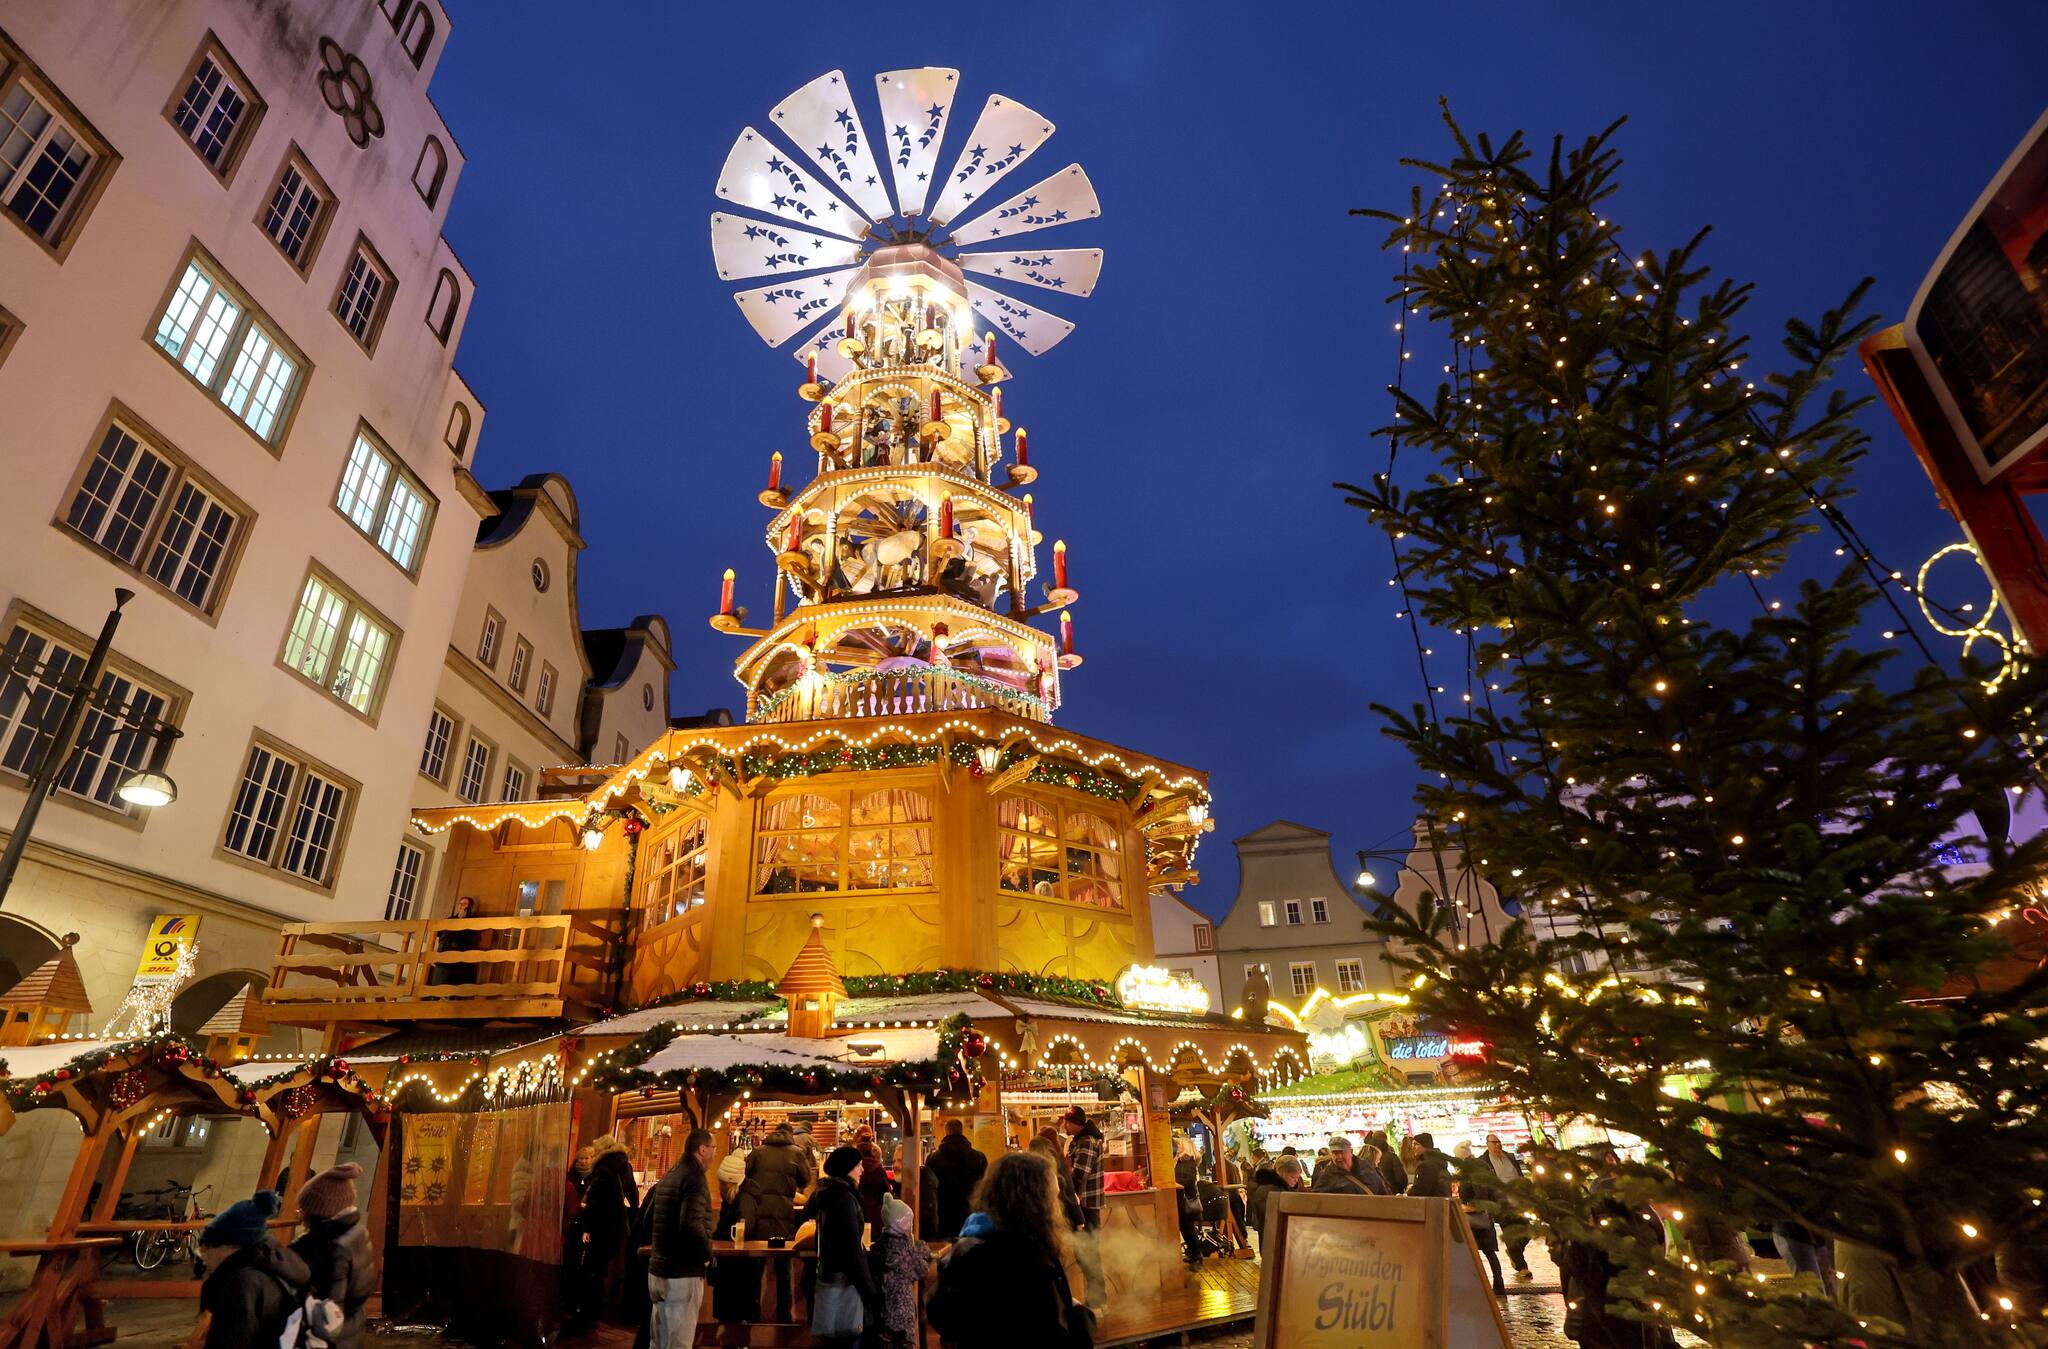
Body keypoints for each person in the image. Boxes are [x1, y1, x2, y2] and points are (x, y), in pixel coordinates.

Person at [927, 1150, 1094, 1348]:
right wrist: (1081, 1316)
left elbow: (939, 1313)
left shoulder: (964, 1249)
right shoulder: (1032, 1262)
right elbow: (1057, 1335)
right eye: (1053, 1199)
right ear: (1037, 1203)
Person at [198, 1189, 310, 1349]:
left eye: (208, 1247)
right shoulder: (276, 1267)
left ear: (233, 1245)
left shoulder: (242, 1284)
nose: (204, 1256)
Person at [290, 1163, 378, 1349]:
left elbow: (328, 1316)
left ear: (319, 1212)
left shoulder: (333, 1249)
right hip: (352, 1329)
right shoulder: (357, 1232)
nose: (300, 1216)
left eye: (304, 1210)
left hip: (336, 1340)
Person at [802, 1147, 877, 1349]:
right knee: (848, 1339)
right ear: (848, 1168)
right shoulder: (843, 1198)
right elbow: (851, 1248)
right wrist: (869, 1290)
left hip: (830, 1276)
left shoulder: (829, 1194)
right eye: (858, 1165)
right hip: (845, 1281)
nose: (862, 1170)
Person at [647, 1128, 715, 1349]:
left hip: (658, 1270)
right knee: (679, 1342)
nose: (715, 1153)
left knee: (658, 1341)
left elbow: (649, 1217)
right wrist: (706, 1255)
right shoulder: (695, 1179)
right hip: (682, 1272)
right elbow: (691, 1224)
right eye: (713, 1148)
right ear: (702, 1149)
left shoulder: (671, 1173)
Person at [739, 1124, 812, 1321]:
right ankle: (784, 1317)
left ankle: (752, 1316)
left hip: (758, 1216)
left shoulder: (758, 1152)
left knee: (756, 1269)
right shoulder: (797, 1153)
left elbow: (743, 1176)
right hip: (784, 1218)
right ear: (790, 1136)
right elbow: (806, 1179)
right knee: (784, 1270)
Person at [572, 1134, 640, 1329]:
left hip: (602, 1226)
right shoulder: (623, 1165)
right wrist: (631, 1216)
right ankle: (603, 1310)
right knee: (609, 1268)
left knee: (594, 1269)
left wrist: (588, 1226)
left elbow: (596, 1202)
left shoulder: (604, 1169)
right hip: (617, 1225)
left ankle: (590, 1313)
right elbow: (632, 1195)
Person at [1057, 1105, 1107, 1311]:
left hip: (1087, 1205)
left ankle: (1097, 1302)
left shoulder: (1086, 1141)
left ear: (1076, 1123)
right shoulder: (1081, 1140)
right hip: (1086, 1205)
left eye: (1067, 1122)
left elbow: (1080, 1175)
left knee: (1088, 1255)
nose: (1064, 1125)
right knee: (1086, 1254)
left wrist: (1063, 1181)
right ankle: (1097, 1301)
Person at [876, 1194, 931, 1349]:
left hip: (883, 1313)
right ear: (902, 1223)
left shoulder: (881, 1247)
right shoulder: (905, 1250)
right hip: (903, 1314)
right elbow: (922, 1270)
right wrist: (918, 1247)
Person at [1454, 1142, 1507, 1295]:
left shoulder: (1472, 1172)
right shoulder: (1475, 1169)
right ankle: (1497, 1285)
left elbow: (1480, 1195)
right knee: (1488, 1252)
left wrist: (1465, 1207)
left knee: (1483, 1252)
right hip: (1482, 1217)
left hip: (1478, 1219)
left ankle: (1492, 1285)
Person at [1481, 1134, 1531, 1280]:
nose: (1497, 1145)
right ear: (1487, 1144)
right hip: (1501, 1205)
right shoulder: (1484, 1162)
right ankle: (1522, 1267)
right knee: (1510, 1235)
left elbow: (1520, 1176)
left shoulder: (1510, 1158)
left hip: (1519, 1203)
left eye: (1499, 1142)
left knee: (1527, 1231)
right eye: (1494, 1143)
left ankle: (1513, 1252)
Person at [928, 1120, 986, 1239]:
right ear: (962, 1131)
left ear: (946, 1132)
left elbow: (929, 1189)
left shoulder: (933, 1159)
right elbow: (984, 1189)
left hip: (942, 1215)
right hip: (969, 1215)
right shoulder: (979, 1157)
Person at [1246, 1155, 1304, 1242]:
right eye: (1292, 1177)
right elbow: (1273, 1218)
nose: (1296, 1181)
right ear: (1281, 1172)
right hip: (1273, 1240)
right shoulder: (1268, 1191)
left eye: (1297, 1178)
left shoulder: (1282, 1188)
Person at [1310, 1135, 1388, 1195]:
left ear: (1351, 1152)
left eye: (1341, 1152)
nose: (1339, 1157)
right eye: (1335, 1153)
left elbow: (1382, 1189)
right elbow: (1316, 1199)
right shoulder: (1327, 1175)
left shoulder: (1366, 1167)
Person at [1407, 1133, 1453, 1199]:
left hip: (1432, 1206)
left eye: (1416, 1144)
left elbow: (1420, 1191)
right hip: (1441, 1203)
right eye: (1412, 1144)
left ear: (1425, 1146)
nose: (1413, 1147)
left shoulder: (1426, 1165)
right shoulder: (1437, 1161)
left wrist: (1409, 1191)